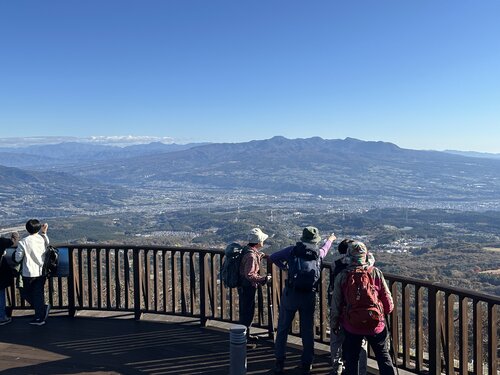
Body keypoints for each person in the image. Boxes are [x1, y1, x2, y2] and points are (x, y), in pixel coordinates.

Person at [269, 226, 336, 374]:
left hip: (291, 294)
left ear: (303, 238)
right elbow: (325, 248)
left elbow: (273, 257)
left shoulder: (292, 250)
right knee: (307, 330)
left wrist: (285, 267)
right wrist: (330, 239)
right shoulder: (318, 253)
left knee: (283, 328)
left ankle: (280, 363)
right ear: (315, 240)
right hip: (308, 295)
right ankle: (307, 363)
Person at [331, 241, 395, 375]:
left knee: (351, 359)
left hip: (352, 324)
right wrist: (385, 312)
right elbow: (388, 301)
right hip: (375, 323)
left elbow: (336, 303)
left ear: (349, 256)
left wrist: (335, 323)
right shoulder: (375, 273)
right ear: (365, 256)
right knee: (383, 356)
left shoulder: (343, 275)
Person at [329, 239, 374, 375]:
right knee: (360, 341)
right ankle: (362, 370)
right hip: (356, 309)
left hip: (339, 306)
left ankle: (337, 367)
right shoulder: (364, 266)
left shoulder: (335, 265)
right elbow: (371, 259)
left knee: (336, 339)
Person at [14, 219, 51, 326]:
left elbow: (17, 258)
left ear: (27, 229)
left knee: (24, 293)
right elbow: (46, 242)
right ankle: (41, 312)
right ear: (38, 228)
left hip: (28, 273)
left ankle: (40, 315)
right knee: (38, 294)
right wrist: (44, 232)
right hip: (41, 272)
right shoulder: (43, 239)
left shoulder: (23, 242)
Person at [238, 227, 270, 348]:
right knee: (247, 312)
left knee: (245, 311)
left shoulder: (247, 250)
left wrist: (259, 255)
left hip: (243, 286)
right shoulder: (251, 256)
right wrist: (263, 279)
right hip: (247, 287)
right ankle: (243, 340)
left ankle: (246, 335)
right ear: (258, 242)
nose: (263, 242)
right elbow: (250, 274)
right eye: (262, 240)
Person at [0, 232, 19, 325]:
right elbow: (13, 242)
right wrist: (15, 235)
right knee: (0, 294)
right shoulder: (1, 241)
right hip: (1, 274)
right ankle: (2, 317)